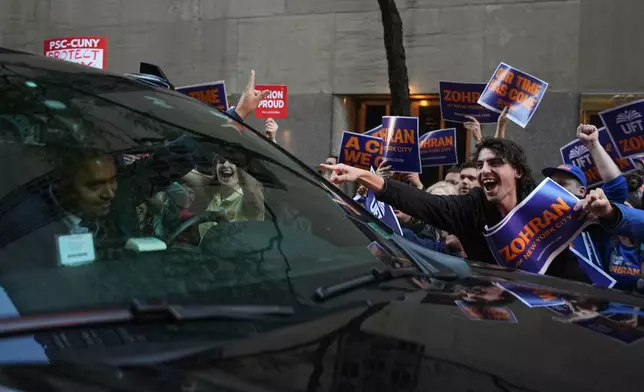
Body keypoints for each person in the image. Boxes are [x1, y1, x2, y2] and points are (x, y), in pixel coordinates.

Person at [320, 137, 601, 280]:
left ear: (516, 171)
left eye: (494, 163)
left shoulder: (544, 200)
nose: (484, 171)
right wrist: (364, 176)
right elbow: (424, 203)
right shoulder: (471, 207)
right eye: (480, 165)